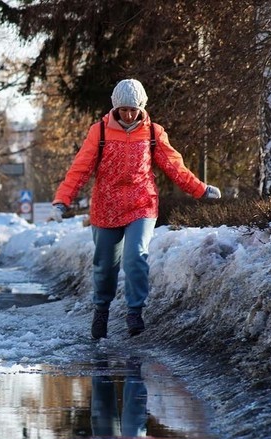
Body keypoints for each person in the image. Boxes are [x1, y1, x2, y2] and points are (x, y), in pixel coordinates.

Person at [52, 78, 222, 339]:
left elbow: (174, 167)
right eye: (123, 110)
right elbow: (80, 168)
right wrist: (63, 199)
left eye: (134, 109)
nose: (129, 114)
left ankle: (134, 312)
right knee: (105, 265)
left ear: (142, 107)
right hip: (106, 206)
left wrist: (200, 189)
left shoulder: (153, 132)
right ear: (115, 108)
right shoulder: (100, 131)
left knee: (135, 257)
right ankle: (101, 311)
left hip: (141, 204)